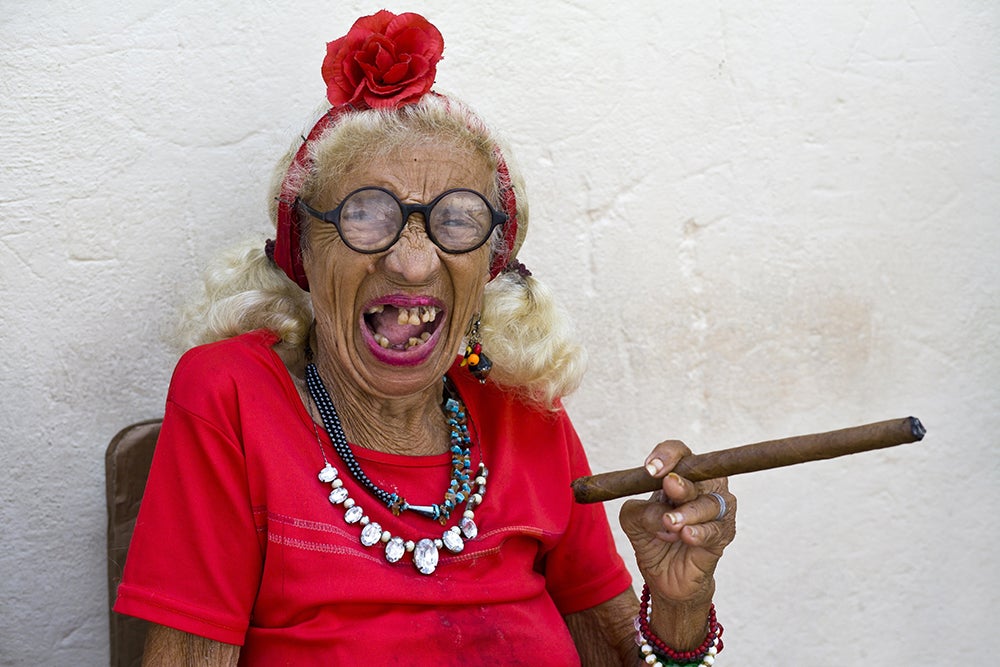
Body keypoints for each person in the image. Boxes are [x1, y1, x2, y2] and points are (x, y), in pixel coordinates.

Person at [114, 11, 736, 666]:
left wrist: (678, 606)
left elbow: (618, 653)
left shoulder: (525, 411)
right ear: (306, 249)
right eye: (365, 215)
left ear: (488, 265)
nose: (413, 262)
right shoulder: (234, 395)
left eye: (457, 221)